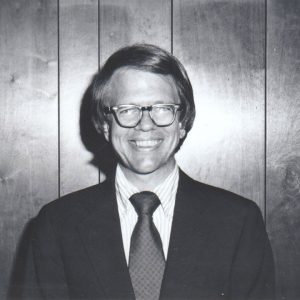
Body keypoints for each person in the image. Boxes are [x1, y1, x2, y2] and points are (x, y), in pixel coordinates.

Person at [20, 44, 275, 300]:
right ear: (105, 125)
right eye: (127, 110)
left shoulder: (238, 221)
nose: (145, 124)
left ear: (182, 122)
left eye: (162, 108)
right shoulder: (57, 224)